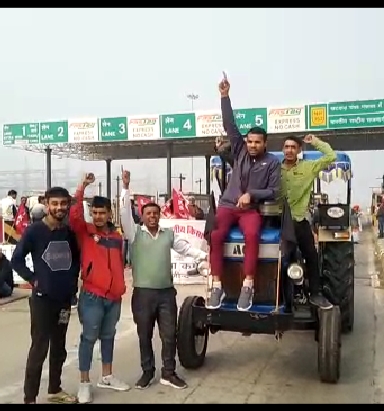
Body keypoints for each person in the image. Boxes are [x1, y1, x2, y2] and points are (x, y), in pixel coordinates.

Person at [121, 169, 207, 390]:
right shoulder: (135, 235)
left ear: (159, 216)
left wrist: (205, 256)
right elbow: (124, 214)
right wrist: (125, 188)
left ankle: (168, 373)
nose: (152, 216)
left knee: (169, 335)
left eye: (155, 213)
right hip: (143, 295)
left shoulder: (168, 235)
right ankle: (147, 372)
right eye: (148, 213)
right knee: (144, 336)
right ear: (142, 217)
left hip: (166, 294)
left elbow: (186, 249)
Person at [207, 74, 281, 311]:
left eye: (257, 142)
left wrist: (252, 195)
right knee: (215, 235)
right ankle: (217, 285)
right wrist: (224, 96)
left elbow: (274, 191)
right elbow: (229, 124)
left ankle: (248, 285)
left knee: (252, 235)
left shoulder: (272, 163)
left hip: (250, 210)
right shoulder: (238, 150)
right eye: (250, 141)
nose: (252, 145)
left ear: (265, 143)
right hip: (228, 205)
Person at [11, 186, 80, 404]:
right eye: (55, 203)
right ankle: (30, 398)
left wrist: (72, 286)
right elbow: (16, 260)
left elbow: (75, 261)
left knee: (59, 348)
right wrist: (33, 279)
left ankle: (55, 389)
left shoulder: (68, 232)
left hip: (64, 301)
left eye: (63, 203)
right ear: (47, 204)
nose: (59, 207)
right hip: (42, 300)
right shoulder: (34, 231)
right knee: (39, 348)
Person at [69, 174, 129, 404]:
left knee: (108, 336)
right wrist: (82, 187)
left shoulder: (117, 236)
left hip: (114, 298)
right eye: (94, 212)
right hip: (92, 296)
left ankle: (107, 376)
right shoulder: (85, 231)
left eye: (102, 213)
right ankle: (84, 383)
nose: (97, 216)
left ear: (109, 214)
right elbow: (74, 216)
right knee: (88, 338)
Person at [279, 134, 336, 308]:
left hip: (299, 221)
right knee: (280, 258)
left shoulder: (308, 167)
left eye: (293, 147)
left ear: (299, 150)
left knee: (311, 255)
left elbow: (331, 156)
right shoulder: (274, 168)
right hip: (278, 222)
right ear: (282, 149)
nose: (289, 150)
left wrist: (316, 142)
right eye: (286, 147)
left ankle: (315, 293)